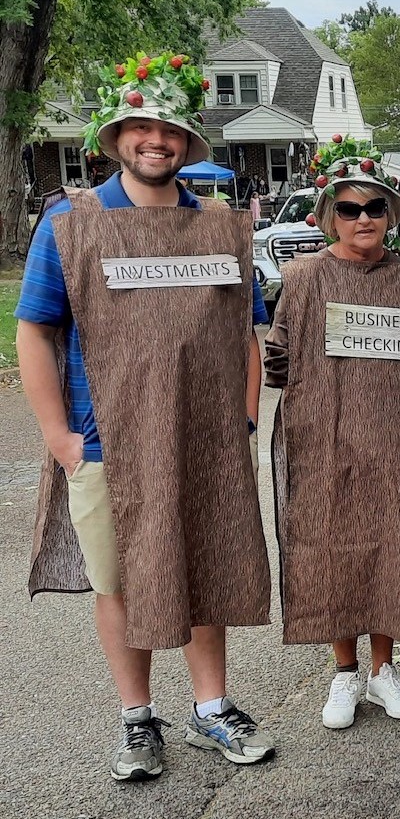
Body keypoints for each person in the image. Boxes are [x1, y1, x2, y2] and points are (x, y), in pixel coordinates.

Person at [17, 51, 274, 781]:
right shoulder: (72, 223)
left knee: (202, 569)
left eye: (169, 129)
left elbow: (244, 333)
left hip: (205, 440)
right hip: (104, 443)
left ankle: (211, 709)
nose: (155, 140)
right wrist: (59, 437)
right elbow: (34, 328)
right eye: (140, 127)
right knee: (121, 581)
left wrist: (246, 420)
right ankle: (137, 719)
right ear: (116, 134)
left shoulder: (223, 231)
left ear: (189, 142)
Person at [264, 135, 400, 730]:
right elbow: (279, 358)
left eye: (375, 208)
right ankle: (344, 672)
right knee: (331, 554)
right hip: (325, 443)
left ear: (392, 217)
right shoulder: (301, 279)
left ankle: (383, 669)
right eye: (348, 208)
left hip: (399, 447)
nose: (363, 218)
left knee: (393, 550)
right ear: (328, 219)